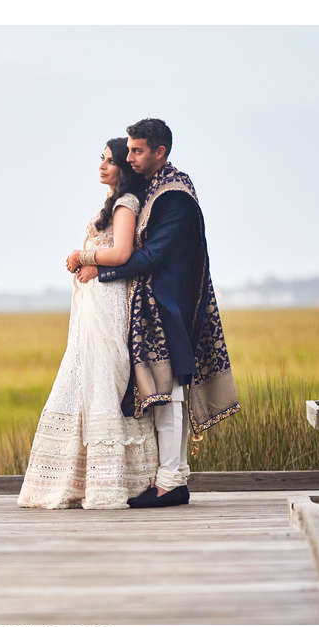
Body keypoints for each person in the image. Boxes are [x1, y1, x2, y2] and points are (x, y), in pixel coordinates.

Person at [79, 118, 241, 508]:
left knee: (170, 394)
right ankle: (174, 476)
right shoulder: (157, 188)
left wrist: (98, 267)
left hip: (170, 307)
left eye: (137, 150)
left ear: (160, 152)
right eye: (129, 150)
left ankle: (171, 483)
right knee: (165, 393)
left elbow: (154, 255)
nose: (129, 157)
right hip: (159, 306)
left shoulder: (174, 196)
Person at [16, 137, 158, 509]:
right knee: (84, 375)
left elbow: (123, 252)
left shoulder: (126, 204)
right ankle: (79, 478)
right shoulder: (111, 204)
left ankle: (110, 482)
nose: (102, 166)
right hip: (94, 299)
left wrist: (84, 255)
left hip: (109, 301)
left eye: (109, 161)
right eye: (103, 159)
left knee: (100, 377)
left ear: (123, 169)